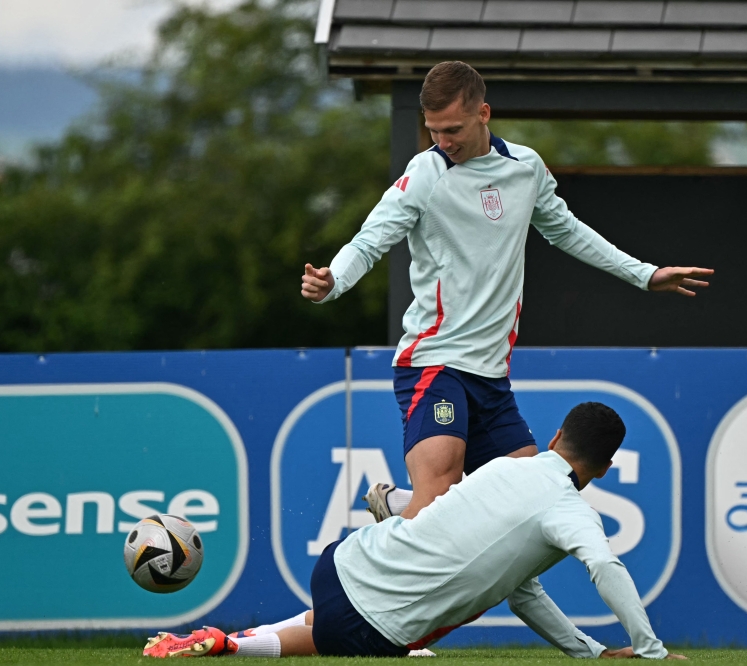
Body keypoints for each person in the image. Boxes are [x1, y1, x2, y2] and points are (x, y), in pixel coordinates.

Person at [300, 61, 713, 522]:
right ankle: (348, 585)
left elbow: (567, 231)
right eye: (433, 130)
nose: (444, 142)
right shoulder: (423, 175)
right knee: (436, 502)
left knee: (523, 513)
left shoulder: (524, 168)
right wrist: (334, 281)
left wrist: (645, 274)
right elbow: (368, 241)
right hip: (434, 363)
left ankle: (396, 505)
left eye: (453, 129)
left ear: (484, 114)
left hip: (491, 377)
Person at [142, 402, 686, 660]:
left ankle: (223, 645)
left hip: (340, 562)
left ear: (557, 434)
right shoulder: (572, 513)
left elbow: (522, 592)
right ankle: (229, 645)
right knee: (395, 622)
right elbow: (606, 568)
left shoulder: (504, 467)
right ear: (607, 469)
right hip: (374, 630)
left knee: (338, 618)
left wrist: (590, 654)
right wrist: (650, 650)